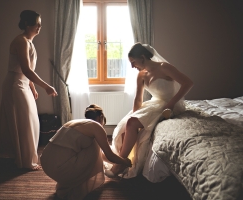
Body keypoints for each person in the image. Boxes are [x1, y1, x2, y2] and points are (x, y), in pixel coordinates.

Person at [104, 43, 193, 180]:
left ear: (143, 57)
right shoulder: (141, 75)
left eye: (133, 62)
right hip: (155, 103)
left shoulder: (164, 68)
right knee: (126, 125)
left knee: (132, 123)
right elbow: (138, 100)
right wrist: (134, 116)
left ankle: (119, 165)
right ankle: (125, 160)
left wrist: (170, 105)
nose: (132, 66)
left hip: (171, 105)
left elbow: (188, 83)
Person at [0, 10, 58, 170]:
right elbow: (25, 69)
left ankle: (24, 158)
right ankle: (25, 161)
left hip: (22, 83)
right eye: (37, 24)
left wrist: (32, 86)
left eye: (40, 24)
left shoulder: (29, 41)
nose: (39, 27)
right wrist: (46, 87)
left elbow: (26, 71)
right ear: (27, 25)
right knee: (23, 123)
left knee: (29, 122)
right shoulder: (21, 41)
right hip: (14, 85)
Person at [41, 104, 132, 200]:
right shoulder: (96, 127)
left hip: (46, 163)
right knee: (95, 143)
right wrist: (125, 161)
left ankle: (69, 180)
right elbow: (108, 155)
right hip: (60, 168)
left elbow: (100, 155)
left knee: (92, 145)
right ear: (101, 117)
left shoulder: (74, 122)